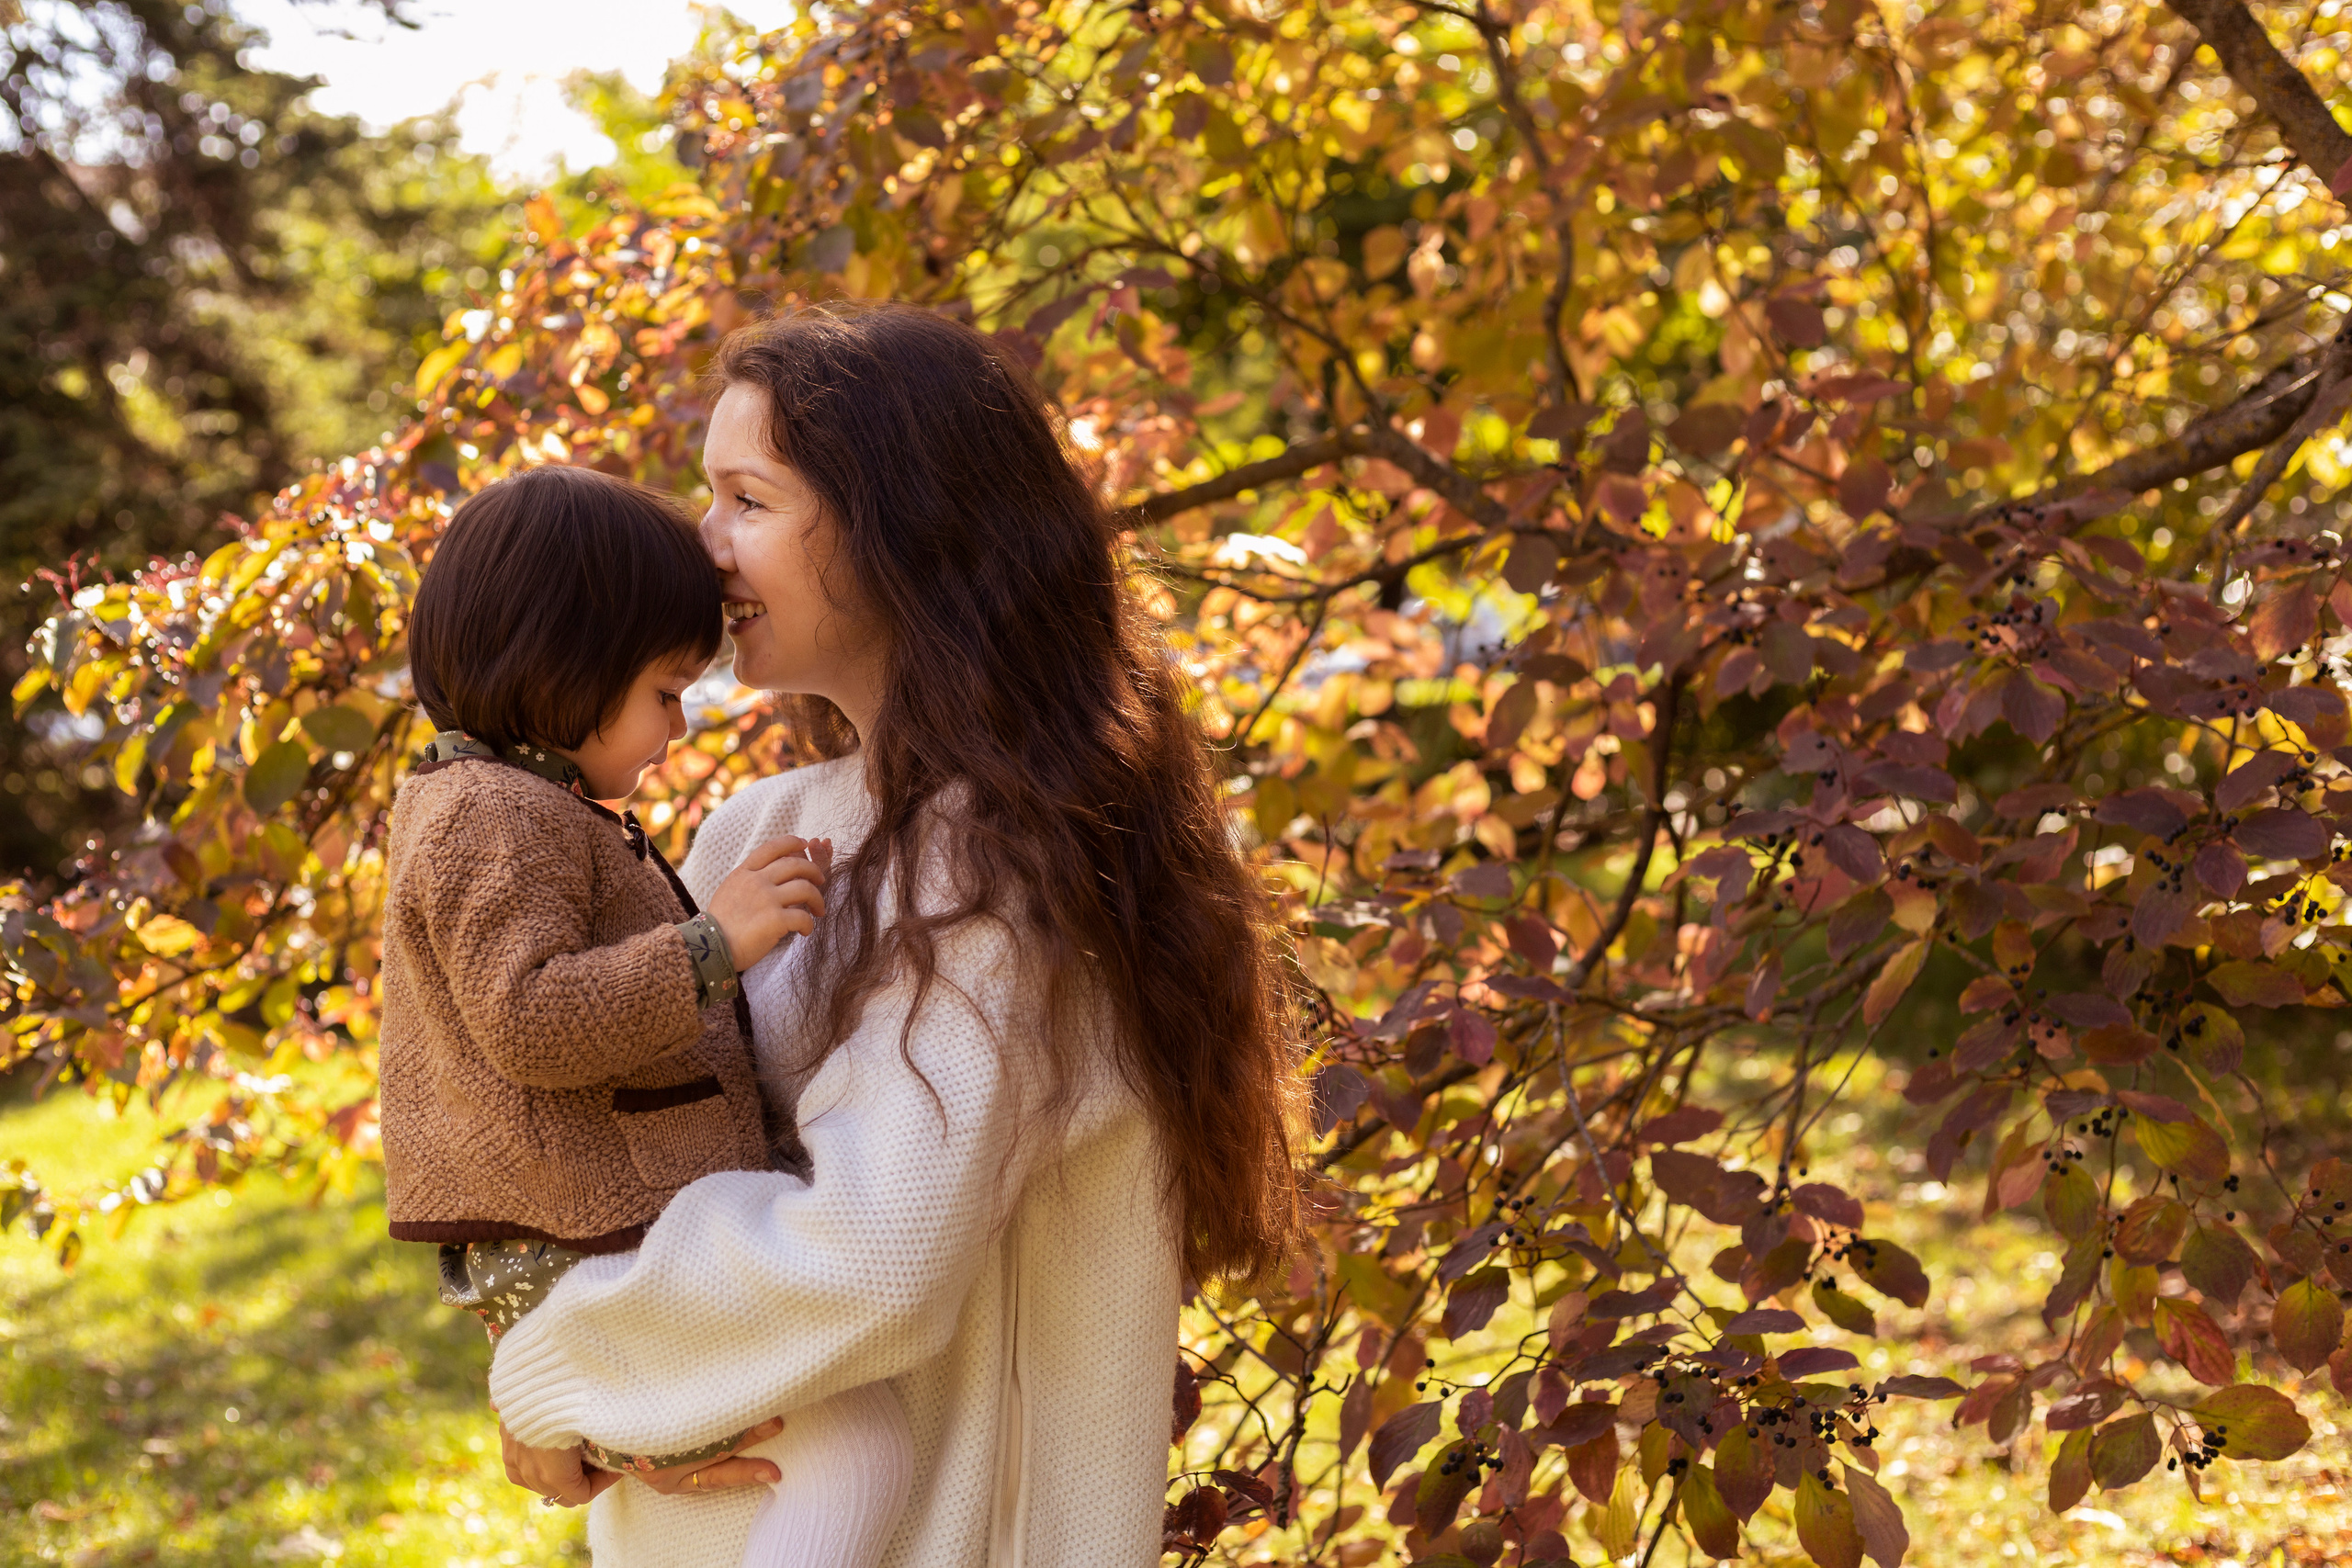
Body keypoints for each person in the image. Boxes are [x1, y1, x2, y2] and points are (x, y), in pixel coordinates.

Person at [484, 302, 1305, 1567]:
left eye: (748, 499)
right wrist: (611, 1399)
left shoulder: (996, 863)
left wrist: (562, 1366)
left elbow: (868, 1255)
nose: (703, 544)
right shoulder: (764, 828)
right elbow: (614, 1152)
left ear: (903, 526)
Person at [379, 464, 913, 1568]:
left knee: (845, 1446)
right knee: (854, 1446)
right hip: (581, 1250)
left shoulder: (514, 803)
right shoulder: (489, 814)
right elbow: (530, 1018)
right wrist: (713, 946)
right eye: (665, 693)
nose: (676, 728)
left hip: (594, 1246)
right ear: (562, 669)